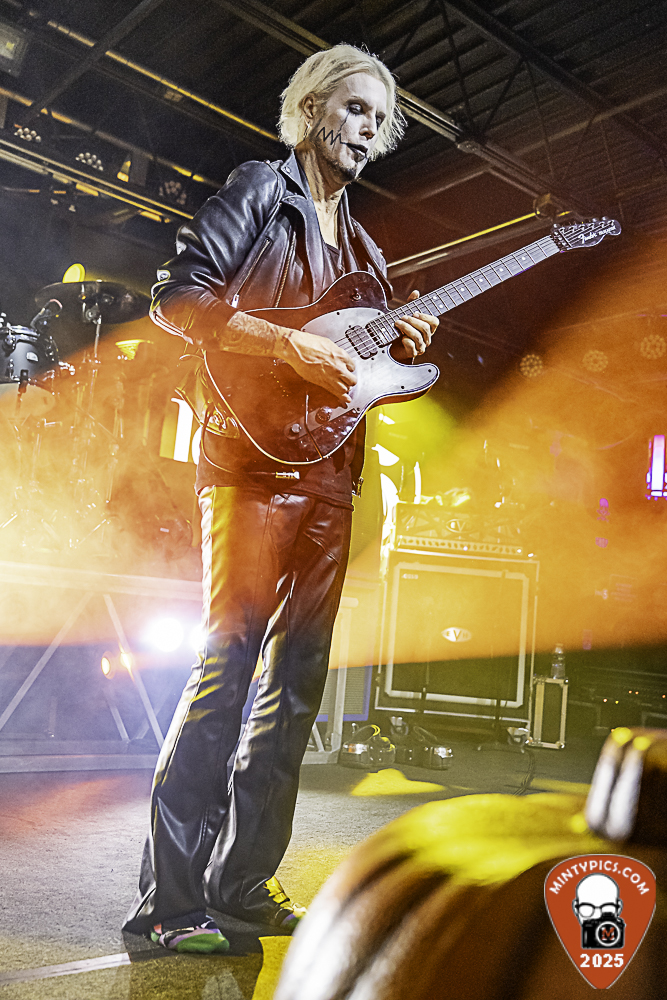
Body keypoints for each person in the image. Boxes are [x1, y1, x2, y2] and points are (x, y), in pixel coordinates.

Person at [123, 43, 439, 953]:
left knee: (294, 690)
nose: (367, 127)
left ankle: (242, 883)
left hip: (332, 478)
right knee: (225, 673)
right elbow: (178, 299)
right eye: (353, 107)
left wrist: (400, 340)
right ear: (309, 110)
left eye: (379, 117)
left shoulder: (365, 248)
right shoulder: (262, 189)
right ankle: (167, 905)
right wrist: (281, 342)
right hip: (250, 464)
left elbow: (358, 375)